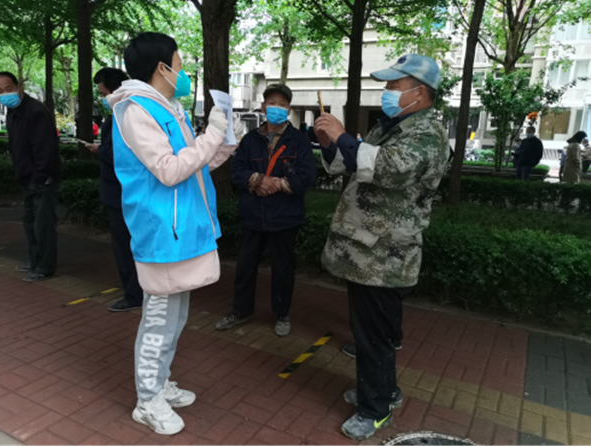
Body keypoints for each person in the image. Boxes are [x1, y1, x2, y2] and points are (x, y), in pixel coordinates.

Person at [106, 32, 240, 435]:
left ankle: (159, 383)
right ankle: (147, 401)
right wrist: (212, 134)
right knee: (159, 320)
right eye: (180, 64)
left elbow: (190, 164)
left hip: (179, 229)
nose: (184, 72)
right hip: (162, 231)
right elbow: (169, 170)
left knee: (174, 317)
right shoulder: (136, 110)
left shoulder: (168, 107)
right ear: (162, 67)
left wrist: (223, 143)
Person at [314, 54, 449, 441]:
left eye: (394, 85)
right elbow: (354, 165)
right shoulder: (392, 126)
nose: (387, 92)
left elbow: (387, 168)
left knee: (372, 336)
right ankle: (384, 392)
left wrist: (342, 135)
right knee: (376, 332)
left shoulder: (426, 132)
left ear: (419, 93)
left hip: (385, 256)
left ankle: (374, 410)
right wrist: (330, 144)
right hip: (369, 253)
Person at [215, 84, 316, 337]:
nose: (277, 108)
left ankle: (282, 314)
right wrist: (258, 180)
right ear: (263, 107)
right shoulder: (250, 140)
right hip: (253, 215)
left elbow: (306, 176)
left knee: (283, 269)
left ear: (289, 109)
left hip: (285, 217)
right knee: (245, 267)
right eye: (272, 103)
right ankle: (241, 311)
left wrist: (277, 184)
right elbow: (237, 172)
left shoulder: (299, 141)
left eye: (282, 104)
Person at [85, 68, 144, 313]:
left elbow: (123, 155)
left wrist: (99, 150)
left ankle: (134, 294)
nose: (103, 98)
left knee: (125, 247)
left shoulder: (122, 116)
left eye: (103, 93)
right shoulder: (133, 113)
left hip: (120, 193)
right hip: (130, 191)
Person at [0, 72, 61, 283]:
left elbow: (45, 150)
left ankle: (45, 267)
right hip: (28, 179)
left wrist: (38, 179)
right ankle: (34, 261)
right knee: (30, 221)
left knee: (43, 225)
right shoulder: (14, 112)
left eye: (8, 89)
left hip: (42, 180)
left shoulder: (35, 111)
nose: (4, 94)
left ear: (19, 86)